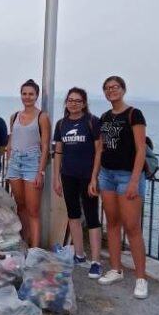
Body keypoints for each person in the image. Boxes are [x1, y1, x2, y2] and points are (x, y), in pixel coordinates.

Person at [89, 75, 149, 299]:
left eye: (115, 87)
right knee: (112, 223)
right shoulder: (104, 117)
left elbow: (141, 150)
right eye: (107, 88)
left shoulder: (134, 114)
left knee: (132, 228)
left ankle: (141, 278)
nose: (111, 91)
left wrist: (134, 180)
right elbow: (100, 150)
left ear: (123, 89)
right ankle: (116, 269)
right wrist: (94, 177)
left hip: (127, 177)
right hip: (107, 175)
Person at [52, 88, 103, 278]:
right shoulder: (61, 124)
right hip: (68, 176)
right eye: (70, 100)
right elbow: (58, 152)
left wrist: (94, 178)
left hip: (87, 177)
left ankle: (96, 261)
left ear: (84, 103)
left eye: (78, 100)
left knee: (91, 217)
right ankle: (79, 255)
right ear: (66, 102)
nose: (73, 103)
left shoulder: (92, 121)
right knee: (73, 215)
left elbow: (99, 150)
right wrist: (56, 178)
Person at [6, 79, 50, 248]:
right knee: (20, 205)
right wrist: (9, 159)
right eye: (24, 93)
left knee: (33, 210)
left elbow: (45, 146)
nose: (27, 97)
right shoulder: (14, 116)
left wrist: (41, 172)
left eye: (31, 94)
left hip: (33, 163)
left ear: (36, 95)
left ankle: (35, 249)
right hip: (15, 162)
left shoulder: (42, 117)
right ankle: (23, 242)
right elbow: (12, 139)